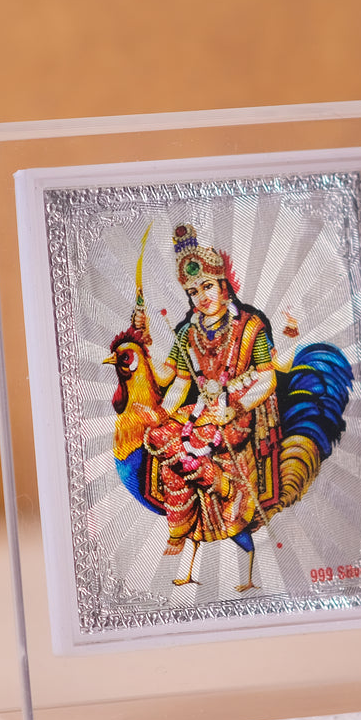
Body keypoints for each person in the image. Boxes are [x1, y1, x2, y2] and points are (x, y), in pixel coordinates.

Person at [137, 223, 284, 591]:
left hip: (238, 413)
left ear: (223, 285)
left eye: (206, 287)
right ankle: (191, 516)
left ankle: (227, 489)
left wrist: (234, 407)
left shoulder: (249, 327)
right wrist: (145, 347)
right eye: (193, 292)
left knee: (193, 445)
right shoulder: (188, 332)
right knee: (158, 436)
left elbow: (267, 378)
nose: (201, 297)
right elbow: (176, 381)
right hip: (202, 414)